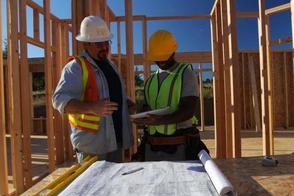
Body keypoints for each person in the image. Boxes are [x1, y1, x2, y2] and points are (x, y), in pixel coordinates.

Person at [52, 16, 134, 163]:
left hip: (116, 142)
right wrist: (92, 108)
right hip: (92, 148)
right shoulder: (76, 67)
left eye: (106, 42)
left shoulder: (112, 67)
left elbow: (109, 94)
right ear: (86, 44)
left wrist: (126, 103)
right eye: (98, 43)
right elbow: (59, 100)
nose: (104, 47)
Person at [132, 30, 208, 161]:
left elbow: (188, 110)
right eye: (158, 57)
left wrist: (158, 120)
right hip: (152, 148)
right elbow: (148, 106)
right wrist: (142, 116)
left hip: (180, 147)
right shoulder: (150, 80)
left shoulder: (186, 73)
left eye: (165, 56)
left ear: (174, 51)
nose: (161, 60)